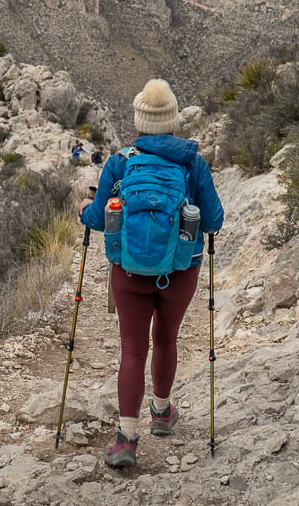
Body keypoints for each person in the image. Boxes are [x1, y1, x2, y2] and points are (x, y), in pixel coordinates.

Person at [79, 79, 223, 469]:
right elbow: (213, 220)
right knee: (165, 339)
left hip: (128, 273)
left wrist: (82, 210)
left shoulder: (121, 161)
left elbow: (96, 217)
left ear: (140, 121)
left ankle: (126, 439)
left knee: (132, 348)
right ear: (173, 120)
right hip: (180, 270)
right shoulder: (193, 163)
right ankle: (162, 412)